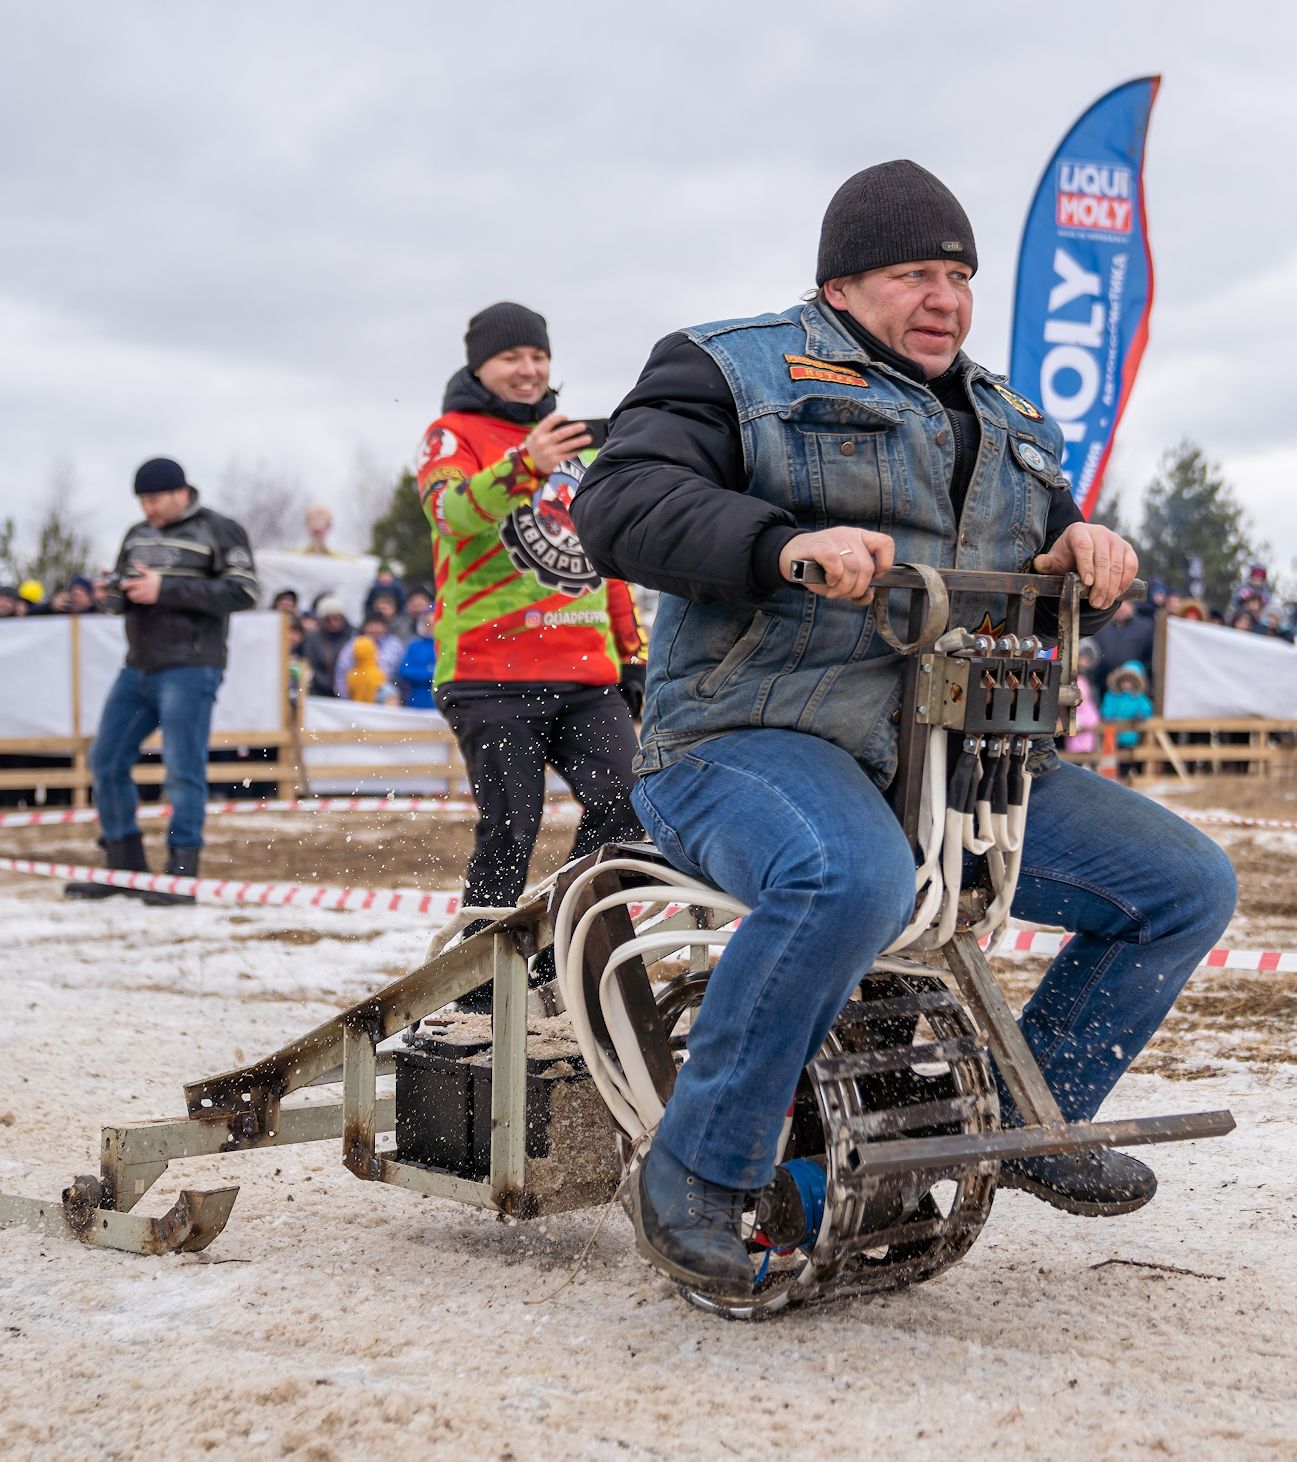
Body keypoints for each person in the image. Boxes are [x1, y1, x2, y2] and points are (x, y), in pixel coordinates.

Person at [572, 159, 1236, 1297]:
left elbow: (1034, 556)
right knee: (847, 876)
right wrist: (782, 544)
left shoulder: (1010, 418)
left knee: (1182, 884)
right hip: (746, 739)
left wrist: (1082, 553)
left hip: (955, 757)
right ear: (838, 285)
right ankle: (698, 1170)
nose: (945, 298)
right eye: (914, 274)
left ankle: (1025, 1113)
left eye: (960, 276)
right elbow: (620, 503)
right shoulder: (726, 369)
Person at [415, 300, 648, 994]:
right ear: (479, 366)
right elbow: (450, 515)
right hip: (489, 673)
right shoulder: (451, 435)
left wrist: (631, 654)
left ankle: (559, 950)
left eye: (538, 356)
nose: (529, 369)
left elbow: (603, 553)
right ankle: (476, 992)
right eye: (511, 357)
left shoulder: (576, 444)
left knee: (629, 806)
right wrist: (523, 466)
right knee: (512, 829)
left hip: (586, 674)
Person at [75, 458, 257, 892]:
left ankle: (181, 874)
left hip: (192, 666)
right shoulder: (137, 534)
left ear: (181, 492)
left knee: (182, 768)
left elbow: (244, 590)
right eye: (141, 500)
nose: (148, 508)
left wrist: (166, 589)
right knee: (105, 759)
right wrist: (113, 593)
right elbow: (125, 592)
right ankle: (124, 868)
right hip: (138, 664)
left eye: (154, 499)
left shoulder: (220, 530)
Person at [1099, 661, 1153, 780]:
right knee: (1112, 761)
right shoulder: (1112, 695)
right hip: (1113, 736)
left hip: (1131, 737)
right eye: (1124, 681)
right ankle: (1112, 780)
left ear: (1135, 683)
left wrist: (1141, 715)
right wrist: (1107, 716)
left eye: (1130, 681)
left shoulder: (1139, 698)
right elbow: (1106, 708)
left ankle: (1126, 780)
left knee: (1129, 762)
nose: (1126, 684)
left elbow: (1146, 709)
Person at [337, 610, 402, 702]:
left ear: (385, 626)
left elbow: (399, 672)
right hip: (355, 696)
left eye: (378, 625)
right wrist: (345, 698)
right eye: (371, 625)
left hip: (386, 696)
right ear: (364, 626)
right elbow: (342, 670)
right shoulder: (354, 644)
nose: (374, 629)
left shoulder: (394, 645)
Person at [302, 595, 354, 697]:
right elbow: (311, 665)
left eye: (336, 618)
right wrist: (330, 686)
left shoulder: (353, 635)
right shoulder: (313, 638)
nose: (333, 623)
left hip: (349, 691)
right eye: (328, 619)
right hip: (321, 691)